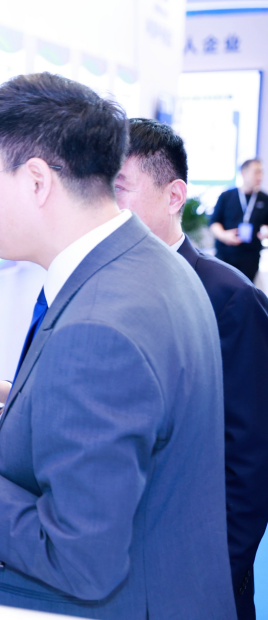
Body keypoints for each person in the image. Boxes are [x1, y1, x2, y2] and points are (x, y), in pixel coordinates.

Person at [0, 73, 235, 618]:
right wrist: (4, 395)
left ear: (36, 181)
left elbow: (78, 558)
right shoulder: (148, 264)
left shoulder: (98, 326)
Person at [115, 118, 268, 620]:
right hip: (111, 570)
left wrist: (213, 574)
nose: (105, 206)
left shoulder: (231, 298)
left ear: (174, 195)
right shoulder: (100, 288)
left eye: (120, 188)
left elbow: (249, 456)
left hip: (195, 579)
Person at [209, 158, 268, 282]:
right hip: (225, 255)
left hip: (250, 257)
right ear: (244, 173)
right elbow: (214, 222)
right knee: (221, 288)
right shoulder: (226, 196)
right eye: (256, 172)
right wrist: (224, 235)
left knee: (245, 290)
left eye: (261, 172)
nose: (260, 176)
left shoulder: (264, 199)